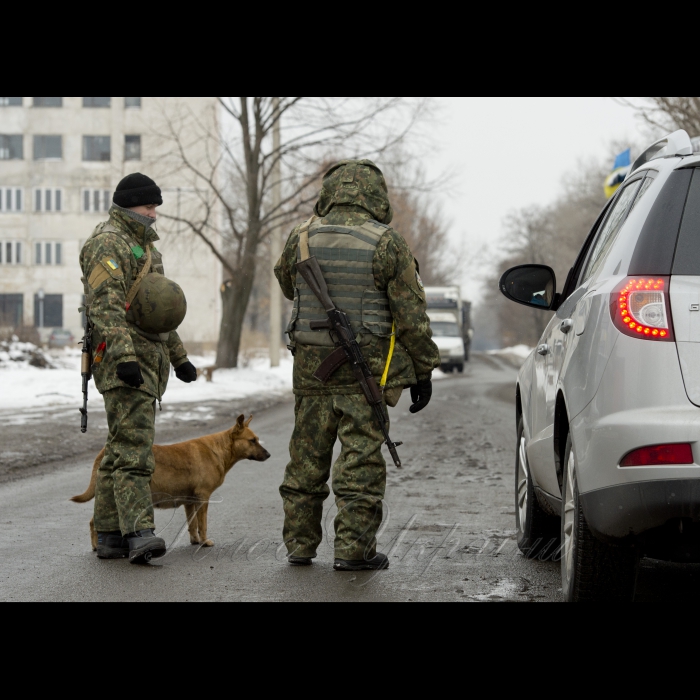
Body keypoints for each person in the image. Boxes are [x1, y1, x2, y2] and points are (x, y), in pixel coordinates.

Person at [275, 159, 440, 571]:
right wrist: (423, 368)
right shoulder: (387, 242)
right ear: (376, 196)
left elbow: (285, 284)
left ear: (329, 193)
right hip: (364, 370)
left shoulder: (301, 238)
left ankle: (299, 544)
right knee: (361, 460)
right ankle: (353, 550)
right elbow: (411, 317)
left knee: (306, 457)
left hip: (310, 368)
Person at [79, 173, 198, 564]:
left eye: (155, 207)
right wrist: (124, 357)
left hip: (148, 361)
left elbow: (158, 313)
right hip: (122, 364)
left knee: (119, 451)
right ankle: (139, 532)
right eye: (149, 207)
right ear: (129, 204)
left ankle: (111, 534)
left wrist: (179, 358)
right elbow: (106, 305)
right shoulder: (106, 243)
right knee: (135, 452)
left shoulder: (144, 248)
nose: (154, 214)